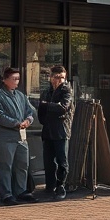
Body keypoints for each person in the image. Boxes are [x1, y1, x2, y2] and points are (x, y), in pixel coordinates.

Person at [0, 66, 38, 205]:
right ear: (5, 80)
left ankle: (21, 191)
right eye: (14, 79)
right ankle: (6, 194)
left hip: (21, 137)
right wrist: (16, 123)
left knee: (22, 164)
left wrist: (28, 120)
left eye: (18, 78)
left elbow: (30, 111)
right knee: (6, 166)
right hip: (6, 137)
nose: (17, 81)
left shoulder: (21, 96)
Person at [38, 64, 74, 200]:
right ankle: (50, 185)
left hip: (61, 130)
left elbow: (63, 108)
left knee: (62, 160)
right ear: (51, 77)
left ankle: (61, 186)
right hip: (48, 129)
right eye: (57, 77)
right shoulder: (46, 91)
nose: (60, 80)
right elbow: (40, 110)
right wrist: (47, 111)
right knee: (48, 160)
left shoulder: (66, 91)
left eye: (62, 77)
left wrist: (47, 105)